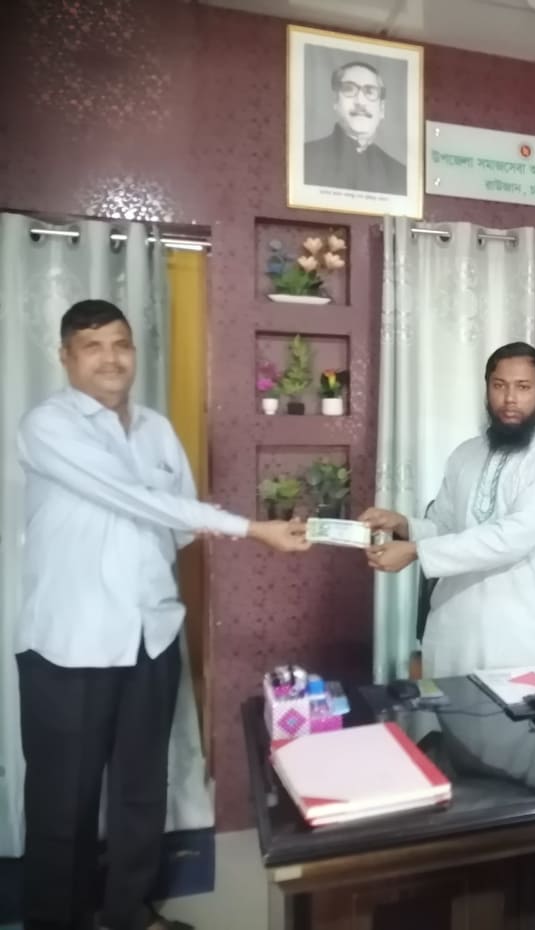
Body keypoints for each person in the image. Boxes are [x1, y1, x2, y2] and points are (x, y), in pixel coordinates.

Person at [16, 300, 310, 930]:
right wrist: (251, 528)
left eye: (120, 344)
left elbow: (176, 525)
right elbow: (133, 498)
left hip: (150, 637)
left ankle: (128, 913)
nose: (111, 358)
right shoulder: (47, 425)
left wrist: (186, 526)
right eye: (92, 346)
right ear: (65, 357)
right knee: (62, 803)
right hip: (69, 644)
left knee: (141, 790)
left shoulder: (156, 430)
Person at [360, 342, 535, 678]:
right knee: (451, 712)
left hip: (526, 636)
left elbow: (512, 537)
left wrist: (416, 551)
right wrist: (403, 525)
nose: (510, 398)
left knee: (525, 713)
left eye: (523, 387)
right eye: (499, 385)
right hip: (453, 632)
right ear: (487, 389)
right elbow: (445, 527)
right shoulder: (465, 454)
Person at [303, 60, 406, 195]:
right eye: (349, 89)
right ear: (335, 101)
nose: (360, 102)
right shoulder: (306, 158)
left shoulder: (400, 174)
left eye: (370, 92)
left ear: (381, 109)